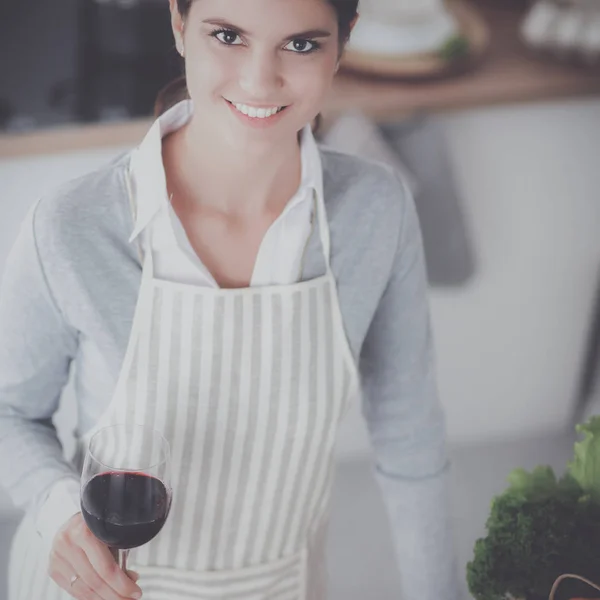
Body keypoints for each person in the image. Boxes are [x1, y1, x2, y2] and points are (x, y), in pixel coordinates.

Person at [0, 0, 459, 598]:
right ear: (178, 26)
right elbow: (9, 413)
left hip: (277, 585)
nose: (258, 80)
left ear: (343, 41)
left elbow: (410, 439)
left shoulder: (376, 211)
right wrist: (61, 510)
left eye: (300, 45)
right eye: (228, 35)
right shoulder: (73, 224)